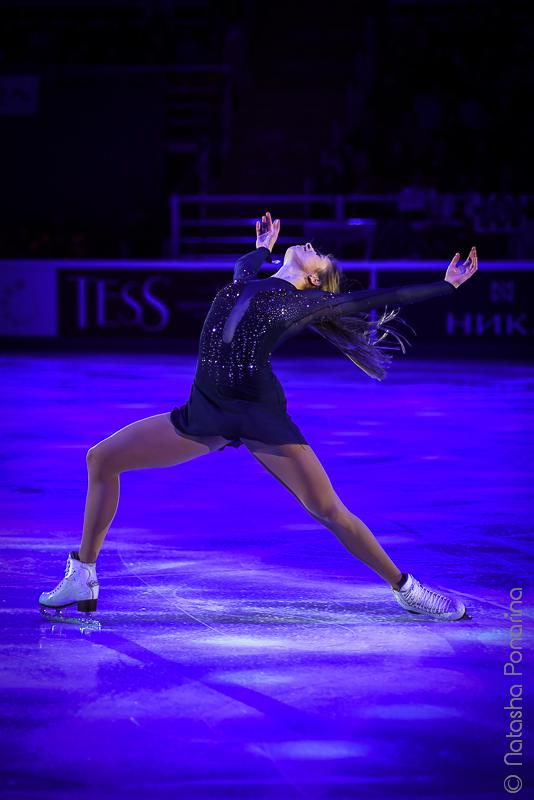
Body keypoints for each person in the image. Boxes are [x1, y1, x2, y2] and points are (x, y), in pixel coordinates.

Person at [39, 212, 478, 621]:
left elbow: (383, 295)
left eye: (319, 254)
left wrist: (447, 285)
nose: (309, 244)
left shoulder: (304, 304)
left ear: (314, 278)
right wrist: (264, 246)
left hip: (258, 413)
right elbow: (244, 266)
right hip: (205, 410)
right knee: (101, 458)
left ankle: (406, 589)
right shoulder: (246, 279)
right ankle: (84, 574)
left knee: (327, 510)